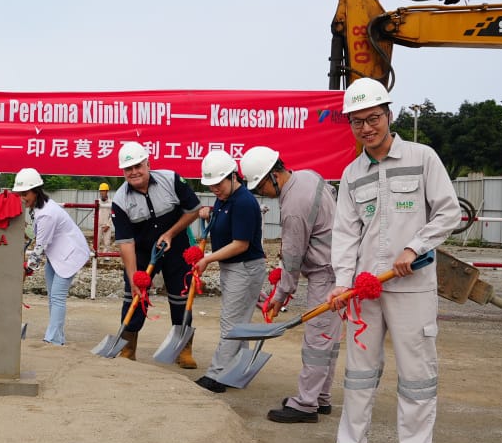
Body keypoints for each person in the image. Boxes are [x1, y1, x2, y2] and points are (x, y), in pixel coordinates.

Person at [314, 78, 460, 443]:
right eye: (357, 121)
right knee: (359, 371)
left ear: (388, 115)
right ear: (350, 124)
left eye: (373, 118)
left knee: (416, 373)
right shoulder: (351, 174)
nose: (367, 128)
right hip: (365, 288)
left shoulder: (422, 157)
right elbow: (344, 234)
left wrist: (413, 248)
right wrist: (342, 282)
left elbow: (448, 213)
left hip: (411, 285)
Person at [240, 145, 340, 421]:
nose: (262, 193)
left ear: (274, 175)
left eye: (261, 187)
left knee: (317, 339)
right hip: (338, 266)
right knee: (327, 340)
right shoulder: (308, 176)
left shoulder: (294, 205)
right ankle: (321, 397)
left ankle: (306, 404)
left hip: (326, 272)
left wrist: (280, 294)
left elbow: (293, 259)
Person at [110, 141, 202, 362]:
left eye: (138, 166)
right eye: (128, 169)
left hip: (176, 247)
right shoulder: (120, 200)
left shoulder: (171, 180)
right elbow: (126, 242)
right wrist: (134, 278)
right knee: (134, 295)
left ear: (148, 164)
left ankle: (183, 348)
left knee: (181, 296)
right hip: (141, 253)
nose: (134, 172)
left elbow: (194, 210)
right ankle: (127, 347)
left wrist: (170, 234)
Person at [192, 150, 267, 393]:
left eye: (218, 184)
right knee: (239, 322)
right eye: (211, 185)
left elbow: (241, 244)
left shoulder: (244, 201)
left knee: (231, 323)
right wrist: (209, 213)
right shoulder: (224, 198)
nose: (215, 189)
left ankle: (217, 376)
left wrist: (207, 259)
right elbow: (224, 219)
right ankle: (236, 370)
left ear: (233, 176)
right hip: (233, 268)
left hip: (244, 268)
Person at [14, 168, 91, 345]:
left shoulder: (47, 213)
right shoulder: (39, 207)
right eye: (20, 193)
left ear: (36, 190)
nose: (22, 197)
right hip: (57, 255)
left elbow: (40, 246)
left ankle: (54, 338)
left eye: (25, 193)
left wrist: (28, 268)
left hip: (70, 255)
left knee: (57, 296)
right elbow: (36, 234)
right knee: (52, 296)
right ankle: (57, 335)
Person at [97, 182, 115, 251]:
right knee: (97, 242)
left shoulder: (111, 202)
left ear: (107, 191)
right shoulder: (97, 202)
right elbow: (94, 215)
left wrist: (108, 225)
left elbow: (112, 215)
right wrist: (96, 224)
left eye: (103, 191)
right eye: (101, 191)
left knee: (107, 242)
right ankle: (96, 257)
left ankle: (106, 257)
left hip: (107, 225)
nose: (102, 192)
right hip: (98, 225)